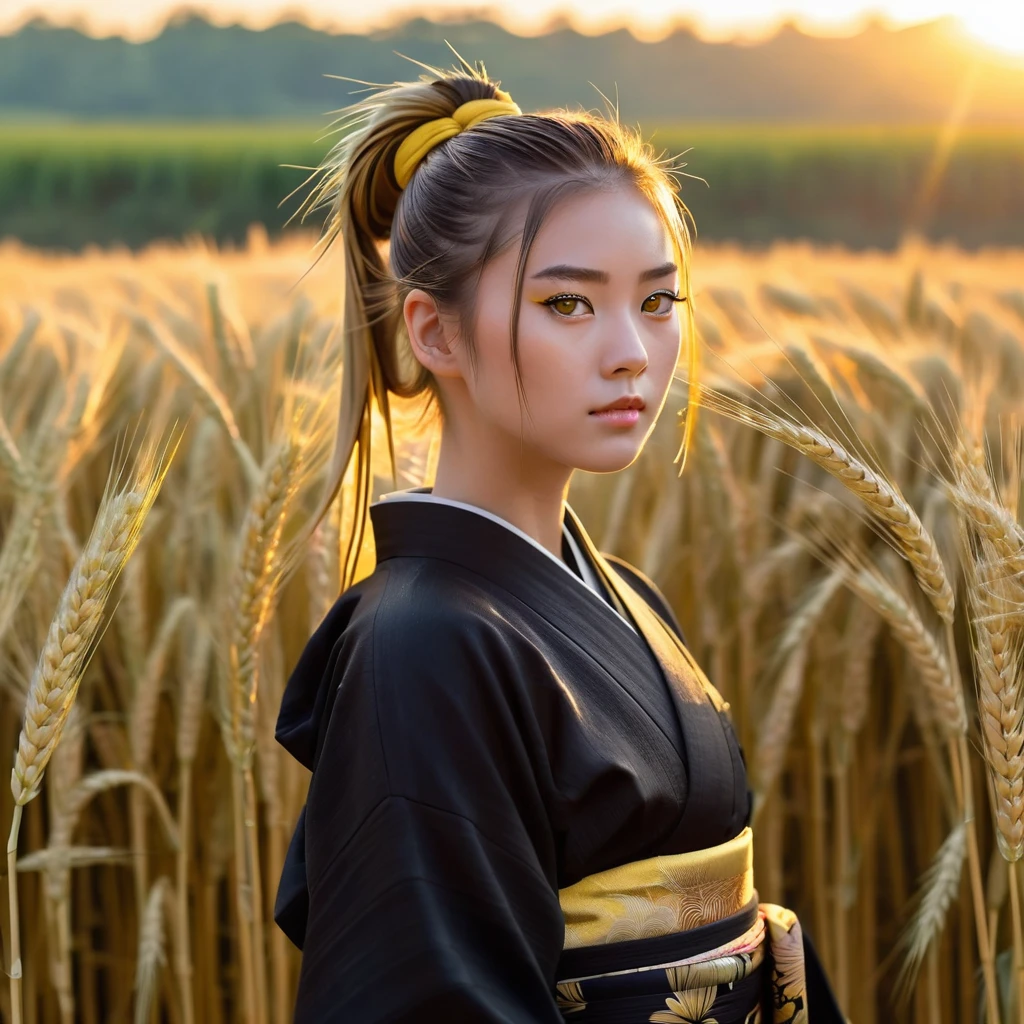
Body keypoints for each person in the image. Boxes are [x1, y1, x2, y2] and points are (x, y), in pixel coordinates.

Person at [274, 56, 844, 1022]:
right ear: (435, 333)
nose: (631, 349)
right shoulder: (422, 648)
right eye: (568, 303)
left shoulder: (623, 593)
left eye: (658, 301)